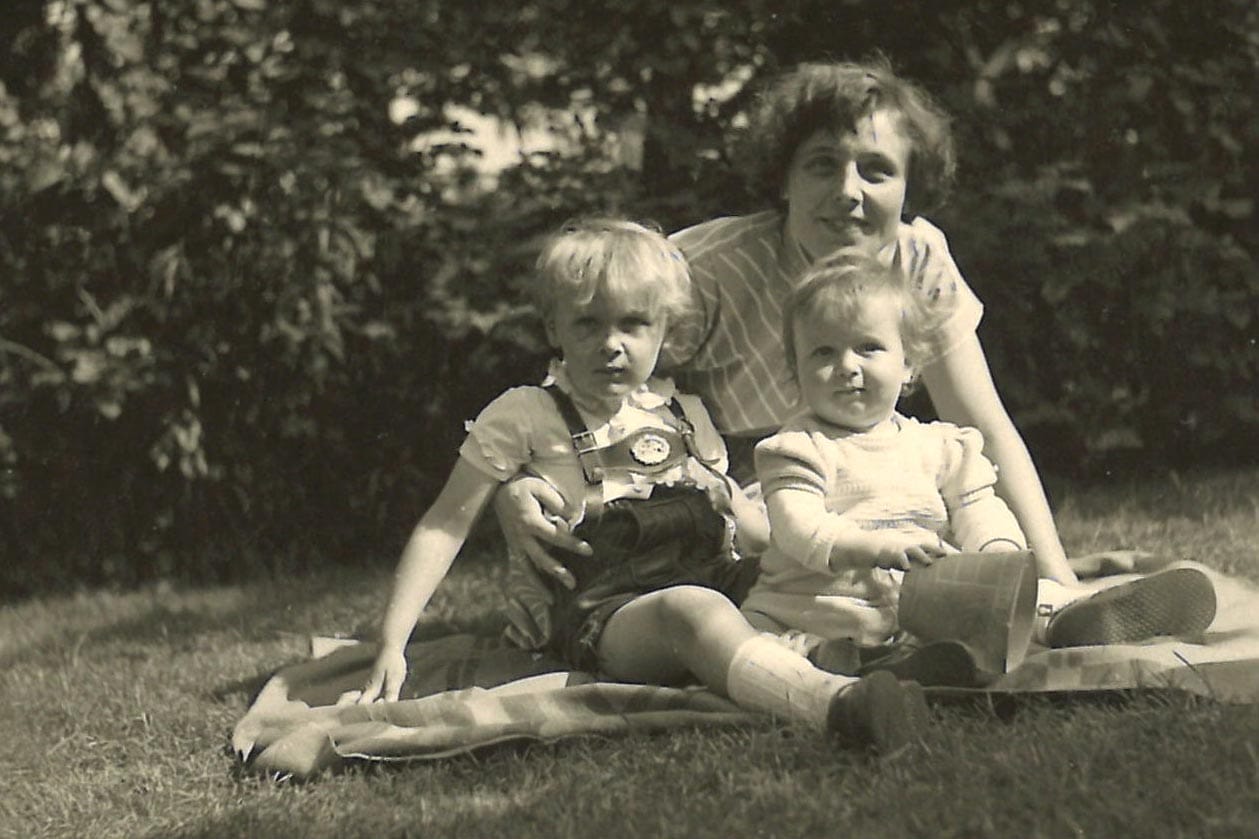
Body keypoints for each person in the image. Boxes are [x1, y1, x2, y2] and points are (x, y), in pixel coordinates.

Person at [496, 58, 1213, 649]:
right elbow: (593, 381)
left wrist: (1060, 573)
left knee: (944, 515)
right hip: (743, 497)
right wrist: (516, 490)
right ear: (782, 178)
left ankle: (1055, 612)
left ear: (908, 187)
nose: (847, 192)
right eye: (821, 165)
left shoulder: (919, 255)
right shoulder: (706, 267)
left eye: (875, 170)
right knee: (837, 577)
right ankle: (915, 636)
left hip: (872, 469)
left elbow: (985, 424)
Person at [356, 219, 930, 755]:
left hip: (714, 578)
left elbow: (743, 527)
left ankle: (882, 654)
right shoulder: (526, 414)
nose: (612, 343)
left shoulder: (684, 413)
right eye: (588, 323)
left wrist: (810, 550)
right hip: (602, 614)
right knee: (692, 609)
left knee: (791, 575)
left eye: (633, 324)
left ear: (666, 329)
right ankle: (832, 703)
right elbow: (444, 522)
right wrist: (391, 642)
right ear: (554, 327)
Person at [739, 251, 1216, 683]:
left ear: (909, 366)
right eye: (823, 352)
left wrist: (997, 555)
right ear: (795, 370)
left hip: (926, 602)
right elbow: (802, 528)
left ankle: (1080, 620)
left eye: (867, 347)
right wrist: (878, 547)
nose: (847, 365)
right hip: (819, 606)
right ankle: (871, 663)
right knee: (779, 648)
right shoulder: (795, 448)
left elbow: (978, 506)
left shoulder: (940, 445)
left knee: (1014, 602)